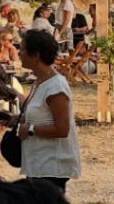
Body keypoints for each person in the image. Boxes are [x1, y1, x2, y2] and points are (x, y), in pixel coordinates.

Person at [16, 30, 80, 195]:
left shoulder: (55, 87)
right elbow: (42, 115)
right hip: (38, 164)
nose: (19, 53)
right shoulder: (40, 81)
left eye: (22, 50)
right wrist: (17, 119)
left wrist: (30, 129)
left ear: (35, 55)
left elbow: (62, 129)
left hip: (51, 167)